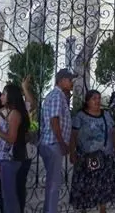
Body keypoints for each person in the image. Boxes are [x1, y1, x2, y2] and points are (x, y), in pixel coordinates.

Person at [69, 89, 115, 213]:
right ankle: (83, 208)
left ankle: (102, 208)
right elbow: (73, 135)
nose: (97, 101)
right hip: (85, 157)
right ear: (87, 101)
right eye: (94, 98)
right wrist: (72, 152)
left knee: (103, 184)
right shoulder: (80, 116)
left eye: (99, 98)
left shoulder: (106, 114)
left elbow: (113, 132)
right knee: (85, 184)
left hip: (105, 156)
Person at [0, 84, 31, 213]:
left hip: (10, 159)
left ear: (10, 96)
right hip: (6, 159)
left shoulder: (14, 114)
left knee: (10, 197)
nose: (2, 96)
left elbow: (11, 138)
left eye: (4, 94)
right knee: (9, 195)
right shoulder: (12, 113)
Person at [39, 69, 74, 213]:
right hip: (53, 144)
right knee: (54, 183)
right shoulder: (56, 96)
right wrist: (62, 143)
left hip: (53, 143)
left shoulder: (60, 96)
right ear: (61, 80)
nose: (72, 83)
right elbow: (54, 120)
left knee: (53, 181)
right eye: (70, 80)